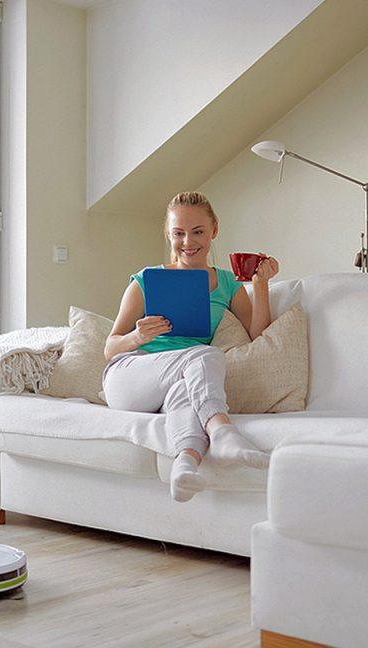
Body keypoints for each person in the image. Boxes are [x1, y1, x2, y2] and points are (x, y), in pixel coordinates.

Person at [102, 191, 279, 502]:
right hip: (130, 376)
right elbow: (110, 347)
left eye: (197, 232)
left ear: (214, 230)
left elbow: (256, 334)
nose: (188, 242)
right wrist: (137, 337)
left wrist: (260, 284)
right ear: (168, 235)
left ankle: (185, 465)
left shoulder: (228, 284)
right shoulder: (146, 280)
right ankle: (222, 431)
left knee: (186, 389)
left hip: (183, 378)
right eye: (178, 233)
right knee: (206, 355)